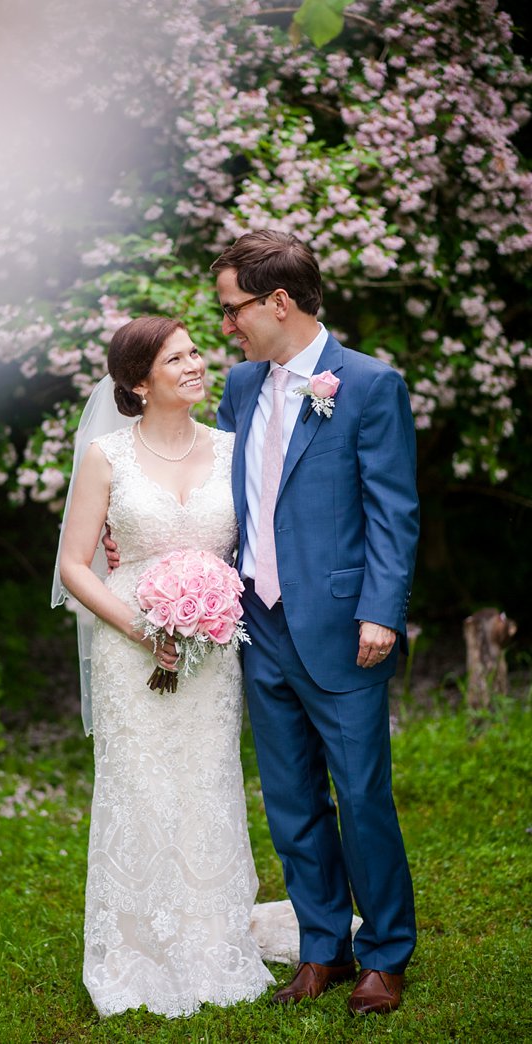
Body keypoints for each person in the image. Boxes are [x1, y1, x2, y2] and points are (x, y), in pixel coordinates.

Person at [211, 231, 418, 1015]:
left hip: (341, 626)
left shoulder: (368, 385)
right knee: (292, 799)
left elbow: (393, 510)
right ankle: (322, 946)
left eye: (234, 309)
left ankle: (386, 954)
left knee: (362, 796)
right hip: (257, 623)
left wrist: (381, 612)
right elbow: (220, 488)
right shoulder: (240, 386)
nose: (227, 325)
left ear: (279, 302)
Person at [54, 316, 275, 1018]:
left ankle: (212, 940)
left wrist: (214, 603)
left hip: (214, 648)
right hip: (131, 646)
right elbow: (72, 564)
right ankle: (138, 948)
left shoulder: (236, 449)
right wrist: (142, 628)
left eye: (195, 351)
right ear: (138, 381)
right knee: (142, 787)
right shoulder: (106, 457)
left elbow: (261, 547)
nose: (195, 364)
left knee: (208, 784)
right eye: (174, 358)